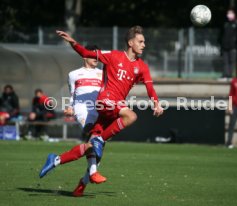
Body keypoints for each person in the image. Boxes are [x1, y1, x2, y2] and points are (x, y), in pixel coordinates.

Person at [39, 26, 164, 197]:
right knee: (131, 115)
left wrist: (156, 104)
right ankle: (99, 140)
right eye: (140, 41)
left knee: (93, 150)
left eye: (144, 41)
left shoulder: (142, 67)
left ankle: (61, 164)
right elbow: (86, 52)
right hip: (105, 101)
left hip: (113, 110)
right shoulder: (113, 56)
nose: (144, 44)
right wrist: (73, 42)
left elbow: (150, 88)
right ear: (130, 42)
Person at [65, 45, 107, 196]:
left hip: (100, 112)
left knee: (98, 151)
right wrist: (70, 107)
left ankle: (82, 184)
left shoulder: (103, 73)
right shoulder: (73, 74)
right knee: (92, 138)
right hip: (82, 110)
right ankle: (94, 172)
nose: (95, 59)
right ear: (84, 57)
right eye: (92, 56)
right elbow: (72, 94)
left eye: (97, 56)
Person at [220, 9, 237, 79]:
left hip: (233, 46)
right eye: (228, 13)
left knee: (232, 61)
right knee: (225, 62)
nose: (229, 15)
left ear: (234, 14)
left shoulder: (236, 23)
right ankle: (225, 75)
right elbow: (222, 35)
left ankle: (231, 75)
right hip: (225, 46)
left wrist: (235, 42)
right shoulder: (225, 23)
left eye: (231, 13)